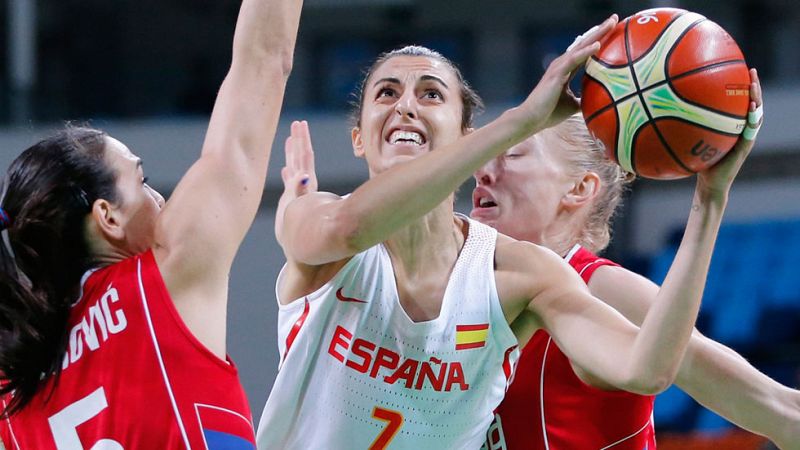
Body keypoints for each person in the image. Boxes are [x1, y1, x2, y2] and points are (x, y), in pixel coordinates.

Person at [258, 14, 731, 448]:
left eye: (430, 94)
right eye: (386, 93)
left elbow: (643, 368)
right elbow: (349, 228)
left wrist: (709, 203)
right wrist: (522, 120)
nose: (405, 106)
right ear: (359, 138)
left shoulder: (520, 275)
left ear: (465, 137)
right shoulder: (312, 220)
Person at [0, 0, 303, 447]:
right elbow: (264, 59)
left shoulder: (13, 389)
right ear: (108, 217)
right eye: (141, 181)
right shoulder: (166, 273)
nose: (159, 199)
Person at [472, 75, 800, 449]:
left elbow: (784, 415)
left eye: (513, 153)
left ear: (579, 188)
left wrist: (711, 196)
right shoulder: (456, 290)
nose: (482, 170)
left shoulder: (603, 290)